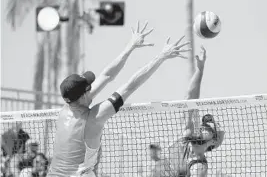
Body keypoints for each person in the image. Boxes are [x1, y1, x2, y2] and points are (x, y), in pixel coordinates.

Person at [47, 21, 191, 177]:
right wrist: (161, 56)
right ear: (83, 94)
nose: (92, 86)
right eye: (89, 86)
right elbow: (130, 86)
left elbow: (107, 75)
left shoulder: (66, 109)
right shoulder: (93, 118)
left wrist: (131, 46)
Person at [148, 47, 225, 177]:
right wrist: (200, 69)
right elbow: (190, 98)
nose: (204, 126)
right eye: (204, 124)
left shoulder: (199, 166)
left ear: (212, 141)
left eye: (208, 127)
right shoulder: (188, 137)